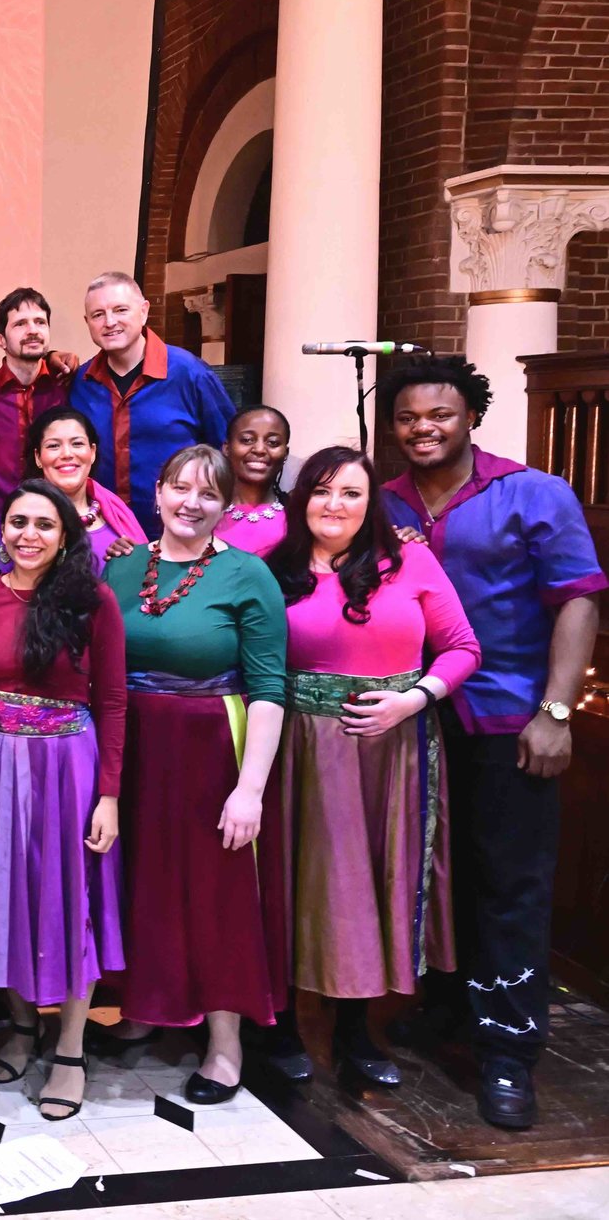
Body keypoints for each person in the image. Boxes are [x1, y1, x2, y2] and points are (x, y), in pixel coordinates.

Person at [378, 357, 604, 1129]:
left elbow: (576, 601)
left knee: (510, 887)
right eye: (408, 418)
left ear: (471, 415)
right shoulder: (384, 502)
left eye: (438, 414)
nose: (423, 429)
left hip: (509, 721)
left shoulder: (533, 493)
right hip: (414, 722)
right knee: (434, 878)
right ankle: (442, 1016)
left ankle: (509, 1052)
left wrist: (558, 710)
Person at [263, 447, 479, 1092]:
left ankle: (358, 1030)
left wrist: (414, 700)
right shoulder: (271, 569)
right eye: (322, 491)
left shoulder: (410, 560)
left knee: (370, 888)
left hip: (391, 749)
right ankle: (279, 1028)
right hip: (297, 747)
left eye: (352, 493)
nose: (335, 505)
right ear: (300, 499)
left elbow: (463, 647)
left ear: (371, 503)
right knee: (296, 882)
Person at [97, 445, 288, 1105]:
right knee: (139, 879)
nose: (190, 502)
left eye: (208, 494)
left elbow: (268, 688)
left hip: (211, 746)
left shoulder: (247, 575)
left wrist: (251, 788)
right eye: (180, 487)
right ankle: (143, 1010)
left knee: (215, 891)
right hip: (135, 745)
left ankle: (225, 1043)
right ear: (157, 492)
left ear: (227, 506)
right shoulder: (122, 570)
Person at [0, 481, 127, 1121]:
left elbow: (112, 700)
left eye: (44, 525)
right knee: (7, 897)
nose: (29, 534)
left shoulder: (93, 600)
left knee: (68, 898)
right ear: (2, 529)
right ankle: (23, 1027)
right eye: (18, 521)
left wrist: (107, 794)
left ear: (66, 536)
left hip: (69, 769)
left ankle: (72, 1048)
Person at [68, 272, 234, 537]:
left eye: (121, 310)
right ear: (87, 322)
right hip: (103, 538)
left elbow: (227, 451)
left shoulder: (189, 374)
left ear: (144, 311)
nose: (110, 322)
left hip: (180, 536)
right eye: (98, 314)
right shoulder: (81, 382)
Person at [0, 288, 79, 520]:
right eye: (20, 324)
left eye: (40, 322)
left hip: (58, 525)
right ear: (1, 340)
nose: (33, 330)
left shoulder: (66, 386)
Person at [26, 406, 146, 571]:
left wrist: (129, 563)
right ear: (38, 457)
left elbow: (146, 579)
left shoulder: (116, 510)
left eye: (77, 443)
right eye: (53, 446)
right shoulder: (19, 514)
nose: (67, 453)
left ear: (93, 452)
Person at [216, 406, 292, 556]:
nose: (259, 449)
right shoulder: (205, 510)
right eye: (247, 440)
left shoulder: (298, 516)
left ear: (285, 453)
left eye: (273, 442)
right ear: (226, 448)